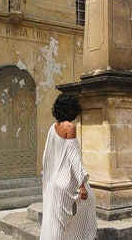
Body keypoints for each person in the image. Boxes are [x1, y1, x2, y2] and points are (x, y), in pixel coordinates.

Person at [40, 93, 97, 240]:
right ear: (73, 109)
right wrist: (82, 183)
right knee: (89, 201)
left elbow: (47, 155)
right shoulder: (70, 127)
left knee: (55, 222)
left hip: (53, 183)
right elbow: (74, 157)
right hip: (66, 183)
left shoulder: (53, 127)